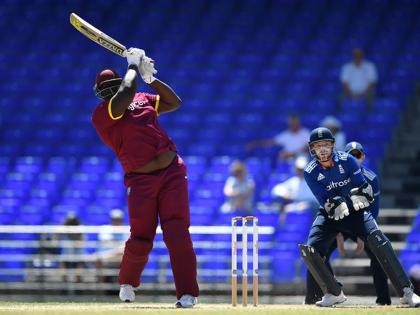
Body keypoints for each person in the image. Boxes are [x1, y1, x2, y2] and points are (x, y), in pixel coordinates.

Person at [91, 48, 199, 308]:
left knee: (177, 233)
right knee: (141, 236)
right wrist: (131, 66)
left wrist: (150, 79)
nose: (109, 92)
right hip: (140, 181)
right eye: (105, 89)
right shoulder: (103, 114)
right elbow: (125, 93)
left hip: (173, 170)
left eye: (111, 87)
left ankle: (187, 293)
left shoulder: (141, 97)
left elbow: (174, 103)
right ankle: (127, 282)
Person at [299, 127, 420, 307]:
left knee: (379, 240)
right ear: (312, 149)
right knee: (311, 250)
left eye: (326, 144)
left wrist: (354, 199)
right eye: (318, 146)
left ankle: (407, 292)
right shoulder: (310, 171)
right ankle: (333, 293)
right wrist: (335, 205)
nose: (322, 149)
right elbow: (325, 201)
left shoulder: (348, 160)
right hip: (330, 214)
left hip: (355, 211)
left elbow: (363, 191)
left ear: (333, 146)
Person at [304, 141, 391, 305]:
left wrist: (363, 234)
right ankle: (318, 295)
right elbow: (331, 204)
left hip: (359, 217)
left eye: (357, 155)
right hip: (338, 218)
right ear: (343, 156)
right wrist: (336, 233)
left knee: (379, 253)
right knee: (316, 252)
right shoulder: (338, 170)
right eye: (351, 155)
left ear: (363, 157)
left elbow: (374, 209)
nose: (354, 158)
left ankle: (384, 300)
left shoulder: (371, 178)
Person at [271, 155, 318, 223]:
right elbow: (276, 190)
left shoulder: (314, 180)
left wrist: (301, 205)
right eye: (298, 169)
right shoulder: (294, 181)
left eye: (302, 169)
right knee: (280, 207)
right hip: (297, 204)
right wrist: (285, 193)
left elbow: (314, 199)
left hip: (312, 206)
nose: (300, 171)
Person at [246, 114, 310, 161]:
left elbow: (308, 148)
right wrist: (254, 144)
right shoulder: (285, 135)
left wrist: (292, 154)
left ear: (298, 123)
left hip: (302, 159)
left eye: (294, 123)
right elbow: (271, 142)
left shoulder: (306, 133)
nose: (293, 124)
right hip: (288, 160)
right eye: (291, 123)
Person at [95, 209, 127, 286]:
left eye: (118, 219)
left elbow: (124, 249)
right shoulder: (105, 229)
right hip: (108, 257)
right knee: (99, 260)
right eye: (114, 219)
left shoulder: (126, 230)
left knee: (126, 259)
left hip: (119, 257)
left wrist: (115, 250)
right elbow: (104, 245)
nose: (116, 221)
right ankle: (101, 289)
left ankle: (123, 288)